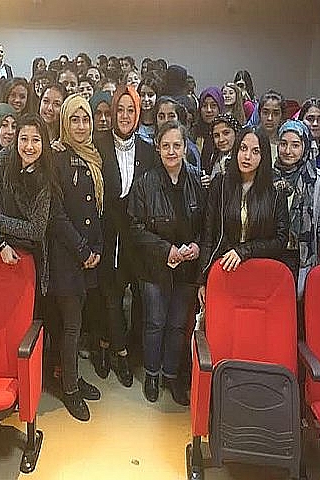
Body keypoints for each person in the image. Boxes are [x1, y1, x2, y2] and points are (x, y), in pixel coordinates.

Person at [128, 121, 205, 406]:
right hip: (155, 267)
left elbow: (208, 224)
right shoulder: (145, 182)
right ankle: (152, 374)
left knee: (176, 325)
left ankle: (171, 375)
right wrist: (166, 250)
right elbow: (135, 228)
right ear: (158, 149)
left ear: (185, 148)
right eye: (166, 146)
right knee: (155, 323)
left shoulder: (197, 180)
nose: (171, 151)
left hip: (187, 268)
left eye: (177, 145)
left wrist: (197, 246)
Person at [93, 85, 155, 387]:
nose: (125, 115)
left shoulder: (148, 150)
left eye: (131, 110)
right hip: (106, 233)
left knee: (135, 296)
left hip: (137, 236)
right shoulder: (99, 144)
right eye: (120, 109)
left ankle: (112, 344)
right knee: (110, 294)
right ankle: (117, 352)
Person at [48, 94, 104, 421]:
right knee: (70, 326)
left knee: (77, 324)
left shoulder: (93, 156)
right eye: (74, 119)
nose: (81, 126)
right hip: (66, 256)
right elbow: (57, 215)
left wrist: (96, 249)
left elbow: (96, 211)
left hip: (87, 255)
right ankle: (69, 389)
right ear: (64, 123)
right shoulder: (56, 158)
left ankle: (72, 376)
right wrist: (82, 250)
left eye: (85, 120)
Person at [198, 126, 289, 306]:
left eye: (255, 151)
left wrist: (244, 251)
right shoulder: (220, 184)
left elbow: (280, 240)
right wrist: (202, 279)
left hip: (259, 274)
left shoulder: (276, 191)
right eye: (243, 148)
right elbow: (208, 235)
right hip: (225, 269)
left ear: (264, 156)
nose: (247, 156)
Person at [0, 114, 55, 306]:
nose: (29, 146)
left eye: (36, 140)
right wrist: (0, 242)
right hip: (0, 246)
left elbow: (37, 230)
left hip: (30, 254)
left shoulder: (46, 174)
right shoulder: (5, 158)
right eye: (24, 139)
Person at [273, 120, 320, 298]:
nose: (288, 151)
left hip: (300, 257)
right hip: (270, 252)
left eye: (295, 145)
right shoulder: (267, 176)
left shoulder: (319, 180)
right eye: (283, 144)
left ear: (305, 146)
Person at [155, 96, 201, 172]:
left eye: (171, 116)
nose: (166, 120)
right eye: (161, 117)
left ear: (178, 118)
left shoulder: (190, 149)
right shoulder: (148, 147)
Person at [200, 113, 242, 188]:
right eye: (216, 136)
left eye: (226, 133)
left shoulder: (243, 159)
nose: (221, 139)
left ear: (236, 133)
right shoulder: (214, 157)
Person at [194, 87, 224, 174]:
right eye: (204, 106)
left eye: (213, 105)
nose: (209, 110)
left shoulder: (226, 133)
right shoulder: (193, 133)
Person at [257, 90, 285, 166]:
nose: (270, 118)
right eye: (265, 113)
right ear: (259, 114)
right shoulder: (251, 140)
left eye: (276, 113)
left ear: (282, 116)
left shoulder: (285, 144)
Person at [137, 73, 161, 145]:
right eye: (142, 95)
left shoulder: (161, 121)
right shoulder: (134, 120)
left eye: (150, 95)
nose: (146, 99)